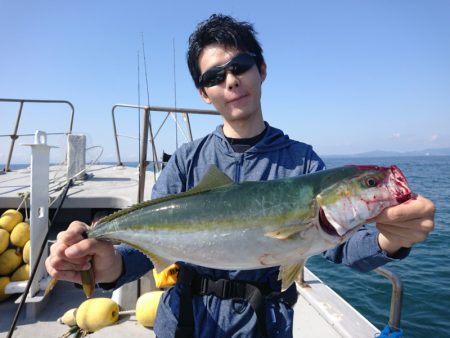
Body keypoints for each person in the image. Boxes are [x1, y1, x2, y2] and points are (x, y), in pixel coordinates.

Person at [46, 14, 435, 338]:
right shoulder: (186, 161)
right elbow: (135, 258)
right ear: (204, 93)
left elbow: (343, 247)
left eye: (240, 66)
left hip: (262, 325)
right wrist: (100, 261)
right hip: (184, 323)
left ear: (261, 70)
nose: (230, 80)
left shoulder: (301, 162)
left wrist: (389, 240)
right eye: (215, 75)